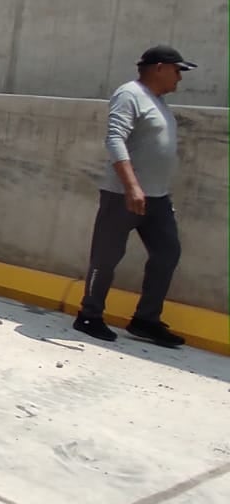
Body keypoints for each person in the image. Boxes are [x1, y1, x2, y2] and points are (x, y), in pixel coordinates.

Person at [73, 46, 194, 348]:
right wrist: (132, 186)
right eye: (177, 70)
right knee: (106, 257)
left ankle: (145, 320)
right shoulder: (129, 94)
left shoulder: (159, 102)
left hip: (158, 199)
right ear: (158, 68)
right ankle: (89, 315)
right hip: (122, 195)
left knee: (168, 253)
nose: (180, 77)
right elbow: (115, 138)